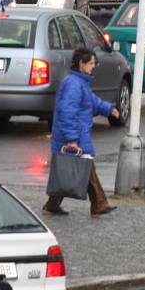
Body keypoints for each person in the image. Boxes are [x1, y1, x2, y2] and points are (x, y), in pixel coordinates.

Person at [43, 47, 119, 217]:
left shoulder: (80, 83)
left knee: (70, 169)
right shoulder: (73, 84)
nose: (94, 66)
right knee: (83, 167)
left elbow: (92, 101)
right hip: (73, 135)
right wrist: (71, 139)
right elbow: (67, 112)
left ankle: (52, 205)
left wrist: (109, 109)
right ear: (81, 64)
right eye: (92, 63)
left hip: (76, 134)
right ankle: (99, 204)